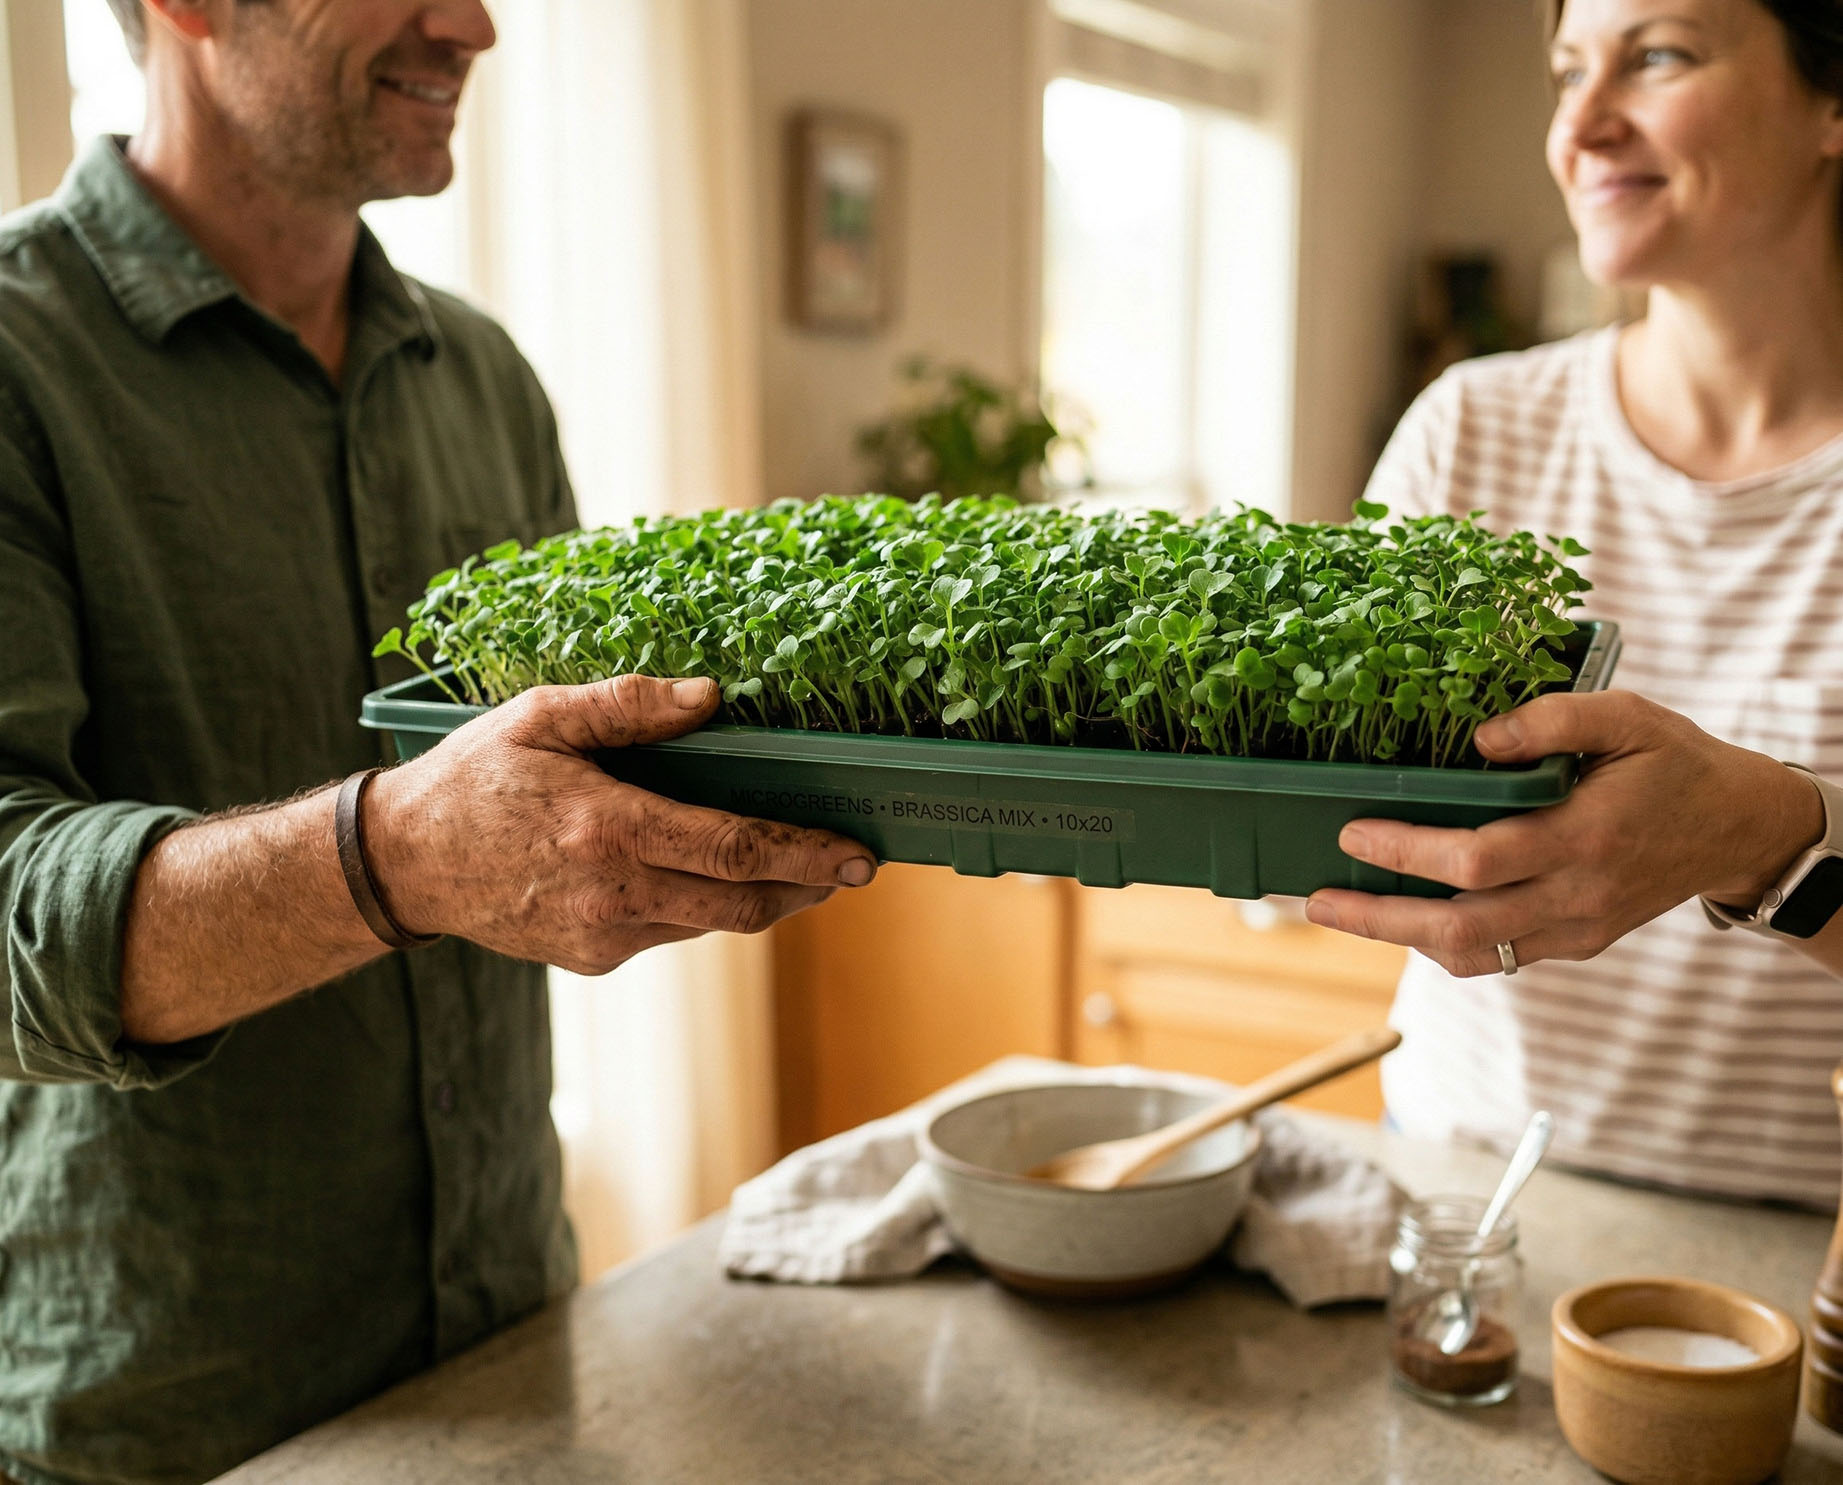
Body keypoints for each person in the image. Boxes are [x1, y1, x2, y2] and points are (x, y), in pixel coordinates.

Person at [0, 1, 878, 1480]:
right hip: (169, 1421)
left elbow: (561, 799)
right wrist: (394, 857)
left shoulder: (480, 376)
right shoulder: (23, 367)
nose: (471, 23)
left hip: (516, 1342)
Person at [1304, 0, 1843, 1209]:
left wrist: (1772, 835)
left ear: (1831, 99)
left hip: (1803, 1273)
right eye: (1564, 71)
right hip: (1455, 1207)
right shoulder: (1469, 431)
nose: (1582, 127)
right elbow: (1328, 809)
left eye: (1657, 55)